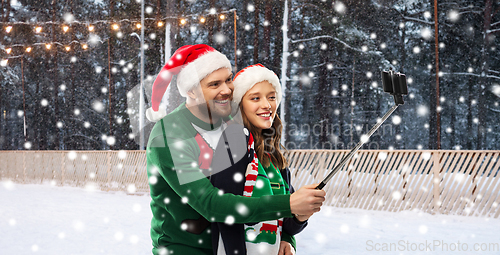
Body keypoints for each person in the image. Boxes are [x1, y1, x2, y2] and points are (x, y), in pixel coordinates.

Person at [145, 44, 326, 255]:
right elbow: (210, 204)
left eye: (228, 79)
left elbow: (272, 181)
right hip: (185, 249)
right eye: (214, 84)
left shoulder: (233, 124)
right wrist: (288, 204)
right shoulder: (169, 135)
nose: (227, 90)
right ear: (191, 91)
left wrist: (286, 235)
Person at [209, 64, 314, 255]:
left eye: (272, 97)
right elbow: (224, 212)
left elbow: (283, 222)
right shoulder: (232, 141)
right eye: (255, 98)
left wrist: (300, 217)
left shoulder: (272, 156)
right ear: (240, 104)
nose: (267, 105)